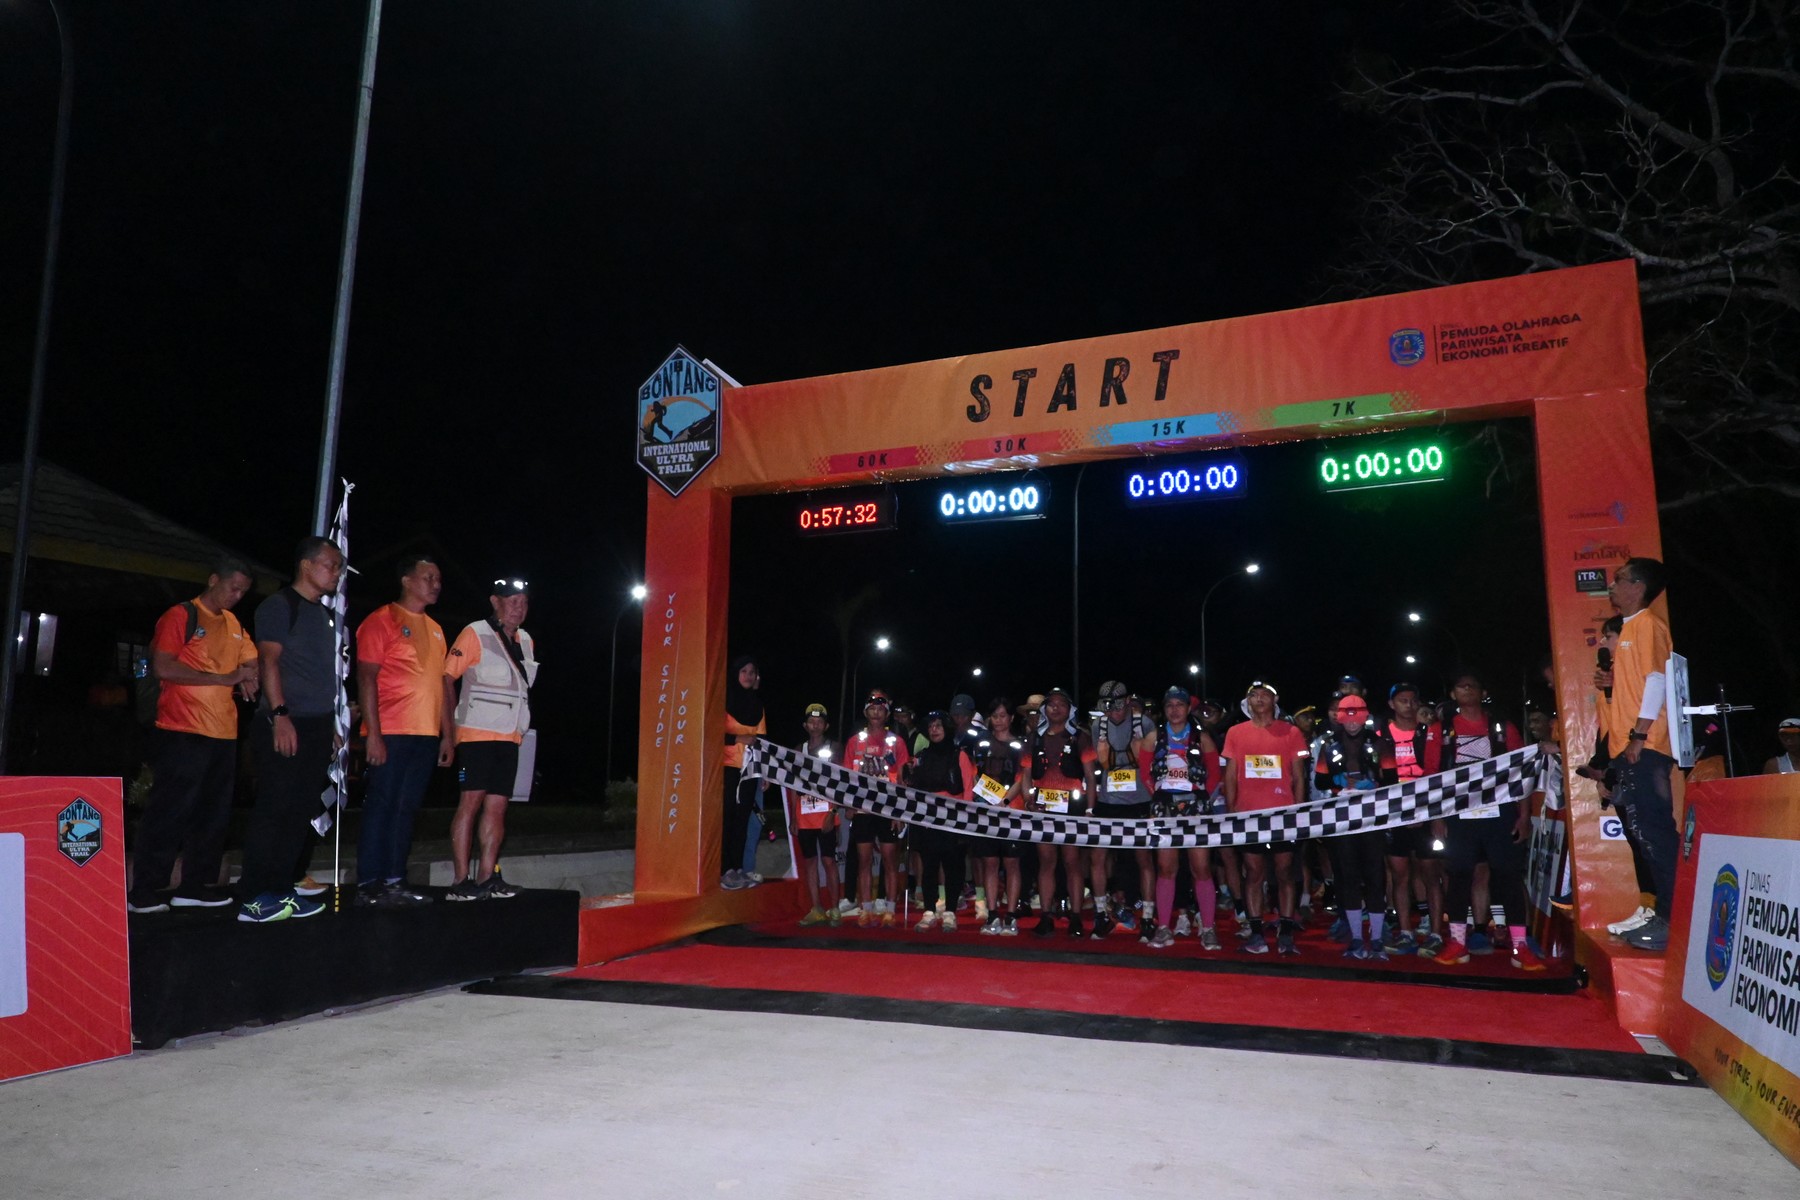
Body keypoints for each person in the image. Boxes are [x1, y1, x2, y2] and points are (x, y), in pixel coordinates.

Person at [126, 558, 260, 913]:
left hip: (223, 732)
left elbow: (251, 658)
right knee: (169, 810)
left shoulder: (233, 624)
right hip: (182, 729)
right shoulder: (182, 615)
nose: (237, 596)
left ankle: (195, 885)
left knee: (212, 814)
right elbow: (163, 666)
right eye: (233, 587)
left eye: (243, 592)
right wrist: (222, 678)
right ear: (214, 579)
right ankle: (144, 890)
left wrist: (249, 673)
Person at [235, 537, 344, 923]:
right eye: (330, 565)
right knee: (274, 808)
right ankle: (253, 896)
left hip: (316, 725)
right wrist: (280, 714)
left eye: (338, 567)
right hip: (284, 721)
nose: (336, 573)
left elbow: (320, 674)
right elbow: (269, 661)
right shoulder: (280, 606)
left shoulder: (323, 614)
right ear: (306, 565)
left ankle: (283, 890)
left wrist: (330, 726)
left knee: (300, 811)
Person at [352, 555, 452, 908]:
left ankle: (396, 880)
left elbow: (441, 686)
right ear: (407, 580)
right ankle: (368, 883)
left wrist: (448, 735)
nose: (436, 584)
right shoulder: (382, 620)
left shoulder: (436, 630)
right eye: (428, 577)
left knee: (406, 808)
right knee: (382, 805)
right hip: (391, 731)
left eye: (438, 578)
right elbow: (366, 677)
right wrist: (374, 735)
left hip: (425, 734)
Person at [1431, 672, 1540, 969]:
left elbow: (1521, 774)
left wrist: (1524, 816)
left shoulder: (1502, 728)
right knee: (1458, 877)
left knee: (1508, 876)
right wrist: (1438, 818)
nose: (1467, 690)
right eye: (1461, 686)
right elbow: (1432, 778)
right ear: (1453, 694)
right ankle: (1457, 943)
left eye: (1473, 686)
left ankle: (1520, 946)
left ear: (1483, 692)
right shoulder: (1441, 731)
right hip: (1459, 816)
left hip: (1499, 815)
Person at [443, 578, 538, 901]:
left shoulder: (526, 640)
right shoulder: (475, 632)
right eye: (512, 601)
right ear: (495, 602)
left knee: (498, 808)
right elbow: (447, 677)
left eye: (524, 602)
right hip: (476, 734)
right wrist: (448, 732)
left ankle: (487, 877)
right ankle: (460, 880)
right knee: (470, 804)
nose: (518, 608)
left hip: (510, 737)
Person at [1603, 557, 1679, 952]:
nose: (1611, 585)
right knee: (1644, 835)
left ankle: (1675, 920)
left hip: (1645, 748)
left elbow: (1657, 681)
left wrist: (1639, 735)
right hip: (1628, 747)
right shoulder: (1630, 628)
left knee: (1656, 834)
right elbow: (1636, 685)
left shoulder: (1649, 624)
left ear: (1638, 586)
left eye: (1619, 579)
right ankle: (1662, 914)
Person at [1221, 681, 1309, 954]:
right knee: (1253, 873)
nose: (1259, 699)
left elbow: (1299, 776)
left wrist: (1298, 811)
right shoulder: (1235, 732)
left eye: (1264, 695)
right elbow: (1230, 775)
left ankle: (1286, 932)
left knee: (1284, 872)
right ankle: (1257, 933)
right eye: (1254, 695)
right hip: (1248, 815)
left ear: (1275, 700)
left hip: (1283, 814)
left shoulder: (1291, 732)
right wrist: (1231, 810)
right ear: (1247, 701)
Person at [1313, 692, 1389, 960]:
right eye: (1347, 715)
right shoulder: (1329, 745)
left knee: (1375, 877)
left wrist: (1373, 783)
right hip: (1343, 816)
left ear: (1365, 716)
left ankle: (1377, 939)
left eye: (1357, 715)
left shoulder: (1380, 743)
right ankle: (1356, 937)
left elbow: (1392, 778)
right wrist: (1338, 783)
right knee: (1348, 877)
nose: (1353, 721)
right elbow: (1320, 781)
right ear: (1340, 717)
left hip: (1372, 816)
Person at [1146, 685, 1221, 950]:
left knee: (1201, 868)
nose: (1174, 710)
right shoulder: (1153, 737)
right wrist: (1159, 796)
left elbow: (1214, 774)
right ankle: (1164, 928)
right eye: (1169, 705)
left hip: (1195, 808)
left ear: (1188, 709)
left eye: (1179, 705)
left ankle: (1208, 928)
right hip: (1165, 807)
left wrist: (1200, 797)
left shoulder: (1202, 738)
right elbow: (1145, 773)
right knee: (1166, 868)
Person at [1374, 682, 1446, 957]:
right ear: (1392, 704)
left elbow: (1440, 774)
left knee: (1431, 874)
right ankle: (1405, 932)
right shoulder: (1380, 735)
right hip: (1394, 814)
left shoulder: (1429, 732)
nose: (1409, 705)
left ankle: (1436, 933)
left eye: (1413, 700)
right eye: (1402, 700)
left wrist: (1436, 814)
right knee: (1399, 875)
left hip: (1427, 812)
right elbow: (1377, 776)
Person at [1089, 679, 1156, 938]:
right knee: (1098, 856)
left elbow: (1151, 761)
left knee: (1143, 858)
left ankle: (1147, 917)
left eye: (1117, 706)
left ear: (1128, 702)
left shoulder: (1144, 723)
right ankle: (1100, 914)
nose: (1113, 712)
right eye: (1108, 707)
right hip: (1109, 801)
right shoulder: (1099, 726)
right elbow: (1101, 762)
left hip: (1140, 800)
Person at [1026, 686, 1093, 937]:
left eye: (1061, 704)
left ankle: (1075, 917)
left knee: (1072, 861)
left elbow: (1090, 777)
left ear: (1070, 709)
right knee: (1046, 862)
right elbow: (1025, 773)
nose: (1056, 708)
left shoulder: (1080, 737)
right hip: (1043, 806)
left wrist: (1090, 809)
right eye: (1051, 704)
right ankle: (1045, 916)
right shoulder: (1035, 737)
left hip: (1072, 806)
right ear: (1045, 709)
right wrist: (1029, 801)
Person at [907, 712, 976, 931]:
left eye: (938, 725)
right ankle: (929, 911)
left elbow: (968, 788)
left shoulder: (959, 755)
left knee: (953, 865)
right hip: (928, 818)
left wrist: (965, 820)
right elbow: (913, 788)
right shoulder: (922, 756)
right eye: (930, 726)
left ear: (946, 728)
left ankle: (950, 912)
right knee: (929, 865)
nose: (934, 730)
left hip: (953, 818)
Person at [846, 689, 910, 927]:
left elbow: (903, 781)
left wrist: (899, 813)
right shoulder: (855, 741)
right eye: (872, 709)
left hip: (888, 808)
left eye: (880, 709)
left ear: (887, 714)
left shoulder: (896, 742)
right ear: (865, 712)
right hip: (863, 808)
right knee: (863, 860)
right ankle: (866, 909)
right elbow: (846, 777)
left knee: (890, 860)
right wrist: (849, 804)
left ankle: (890, 909)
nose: (876, 713)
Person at [970, 698, 1029, 934]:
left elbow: (1021, 779)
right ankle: (992, 914)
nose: (999, 720)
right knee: (990, 862)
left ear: (1011, 718)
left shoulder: (1020, 746)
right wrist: (985, 799)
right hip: (986, 811)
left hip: (1012, 811)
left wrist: (1003, 801)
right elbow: (975, 773)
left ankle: (1011, 915)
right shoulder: (981, 743)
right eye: (995, 716)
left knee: (1012, 863)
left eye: (1003, 715)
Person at [787, 702, 842, 925]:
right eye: (811, 721)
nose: (815, 725)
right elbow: (792, 785)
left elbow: (840, 783)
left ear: (826, 726)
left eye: (820, 722)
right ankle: (816, 908)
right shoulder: (797, 750)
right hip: (804, 816)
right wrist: (793, 817)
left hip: (826, 814)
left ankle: (835, 909)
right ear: (805, 725)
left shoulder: (834, 747)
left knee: (829, 861)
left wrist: (834, 812)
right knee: (810, 862)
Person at [720, 655, 766, 890]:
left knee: (742, 820)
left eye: (752, 672)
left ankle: (738, 869)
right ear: (735, 674)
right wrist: (738, 738)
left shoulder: (757, 705)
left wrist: (764, 773)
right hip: (726, 769)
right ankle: (724, 870)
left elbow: (762, 741)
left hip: (749, 771)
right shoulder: (722, 700)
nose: (748, 676)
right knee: (726, 819)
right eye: (744, 671)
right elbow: (709, 733)